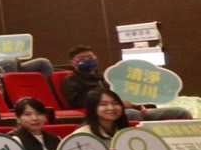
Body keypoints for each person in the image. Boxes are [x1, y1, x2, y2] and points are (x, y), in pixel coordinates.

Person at [62, 45, 192, 122]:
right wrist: (117, 104)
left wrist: (137, 103)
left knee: (181, 112)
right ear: (72, 62)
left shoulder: (105, 77)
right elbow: (77, 102)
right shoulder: (71, 80)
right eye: (82, 58)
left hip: (130, 109)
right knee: (132, 114)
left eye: (90, 57)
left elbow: (124, 92)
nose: (87, 60)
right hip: (106, 113)